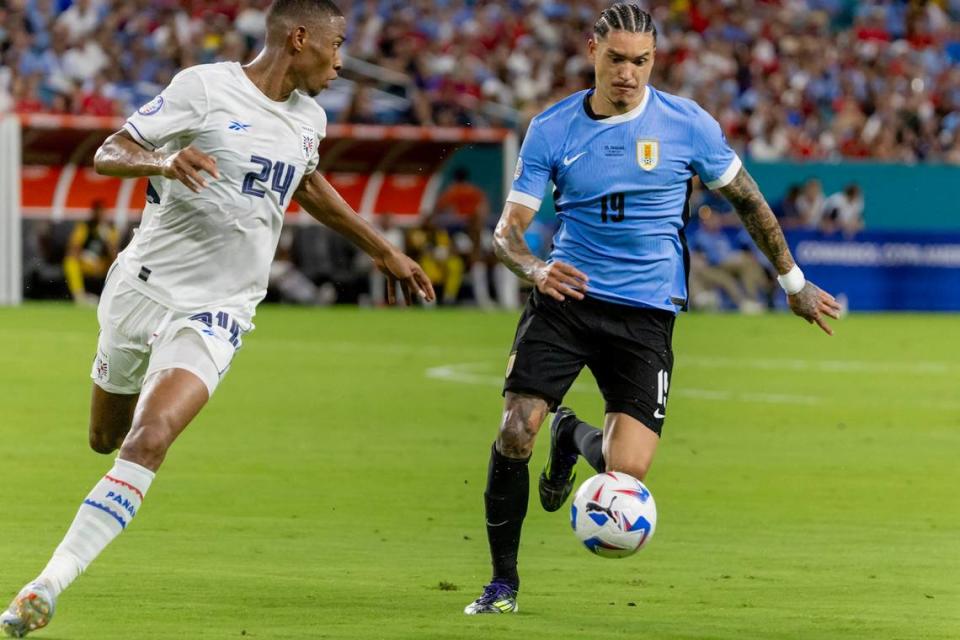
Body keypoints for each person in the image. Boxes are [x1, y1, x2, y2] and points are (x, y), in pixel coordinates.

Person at [0, 1, 435, 636]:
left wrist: (385, 250)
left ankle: (46, 584)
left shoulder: (309, 117)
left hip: (219, 309)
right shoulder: (204, 88)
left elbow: (306, 183)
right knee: (103, 437)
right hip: (142, 289)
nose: (342, 63)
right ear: (300, 37)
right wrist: (163, 162)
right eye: (337, 45)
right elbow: (110, 151)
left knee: (147, 441)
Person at [464, 3, 840, 615]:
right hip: (567, 296)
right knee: (513, 431)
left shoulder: (688, 125)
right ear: (593, 51)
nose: (627, 74)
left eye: (641, 61)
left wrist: (792, 281)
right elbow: (508, 231)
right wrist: (535, 268)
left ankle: (571, 435)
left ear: (654, 61)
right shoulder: (552, 128)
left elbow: (747, 200)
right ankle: (503, 583)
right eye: (616, 59)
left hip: (645, 312)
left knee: (625, 475)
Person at [430, 167, 493, 307]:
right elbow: (484, 209)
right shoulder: (475, 192)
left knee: (474, 262)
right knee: (478, 261)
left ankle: (451, 298)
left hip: (460, 233)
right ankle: (484, 300)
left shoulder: (451, 192)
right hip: (471, 234)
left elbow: (439, 213)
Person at [688, 205, 769, 313]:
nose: (714, 221)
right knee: (733, 273)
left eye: (715, 218)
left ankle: (753, 298)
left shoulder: (721, 235)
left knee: (748, 264)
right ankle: (746, 302)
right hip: (713, 267)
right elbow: (698, 257)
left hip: (726, 265)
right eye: (710, 219)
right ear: (704, 222)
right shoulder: (700, 236)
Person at [62, 200, 119, 305]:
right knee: (70, 262)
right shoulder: (85, 227)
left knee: (117, 266)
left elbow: (115, 256)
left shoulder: (111, 229)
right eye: (98, 211)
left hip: (102, 264)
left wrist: (107, 239)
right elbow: (73, 248)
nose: (101, 214)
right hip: (86, 262)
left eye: (103, 211)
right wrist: (83, 256)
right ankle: (79, 296)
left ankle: (113, 298)